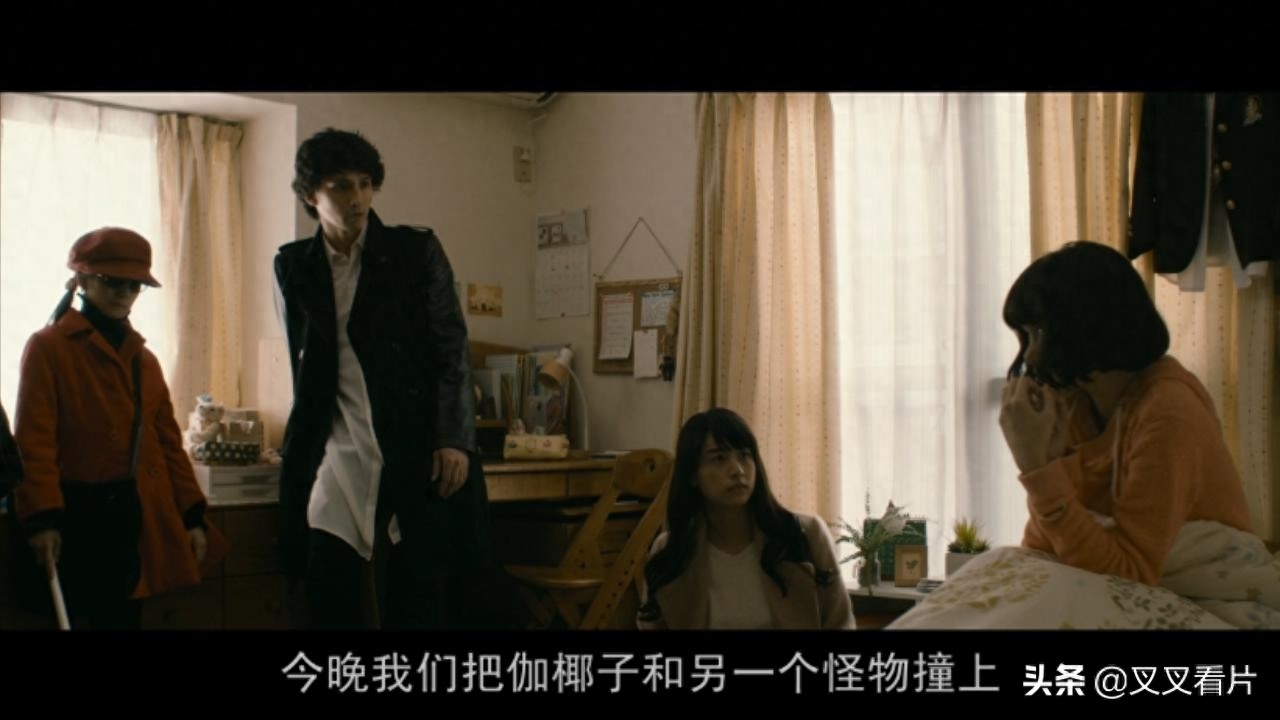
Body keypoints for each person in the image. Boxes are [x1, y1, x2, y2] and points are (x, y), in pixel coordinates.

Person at [276, 128, 503, 629]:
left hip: (411, 438)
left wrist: (453, 437)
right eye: (340, 186)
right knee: (326, 581)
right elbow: (303, 368)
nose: (357, 198)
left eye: (364, 183)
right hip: (337, 444)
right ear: (311, 196)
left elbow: (451, 347)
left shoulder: (414, 251)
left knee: (423, 590)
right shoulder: (293, 267)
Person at [999, 240, 1252, 585]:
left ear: (1084, 327)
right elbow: (1047, 545)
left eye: (1038, 334)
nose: (1028, 357)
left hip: (1206, 588)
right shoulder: (1077, 405)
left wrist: (1037, 469)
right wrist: (1049, 461)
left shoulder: (1168, 413)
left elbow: (1131, 572)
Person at [12, 227, 219, 628]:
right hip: (74, 517)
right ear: (82, 280)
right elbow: (34, 442)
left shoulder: (144, 360)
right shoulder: (48, 348)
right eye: (111, 281)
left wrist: (191, 516)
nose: (123, 293)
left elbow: (168, 445)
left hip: (129, 518)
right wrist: (42, 519)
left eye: (134, 285)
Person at [637, 407, 854, 629]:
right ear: (692, 474)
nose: (738, 470)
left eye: (745, 456)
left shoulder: (805, 534)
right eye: (719, 458)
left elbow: (841, 623)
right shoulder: (671, 551)